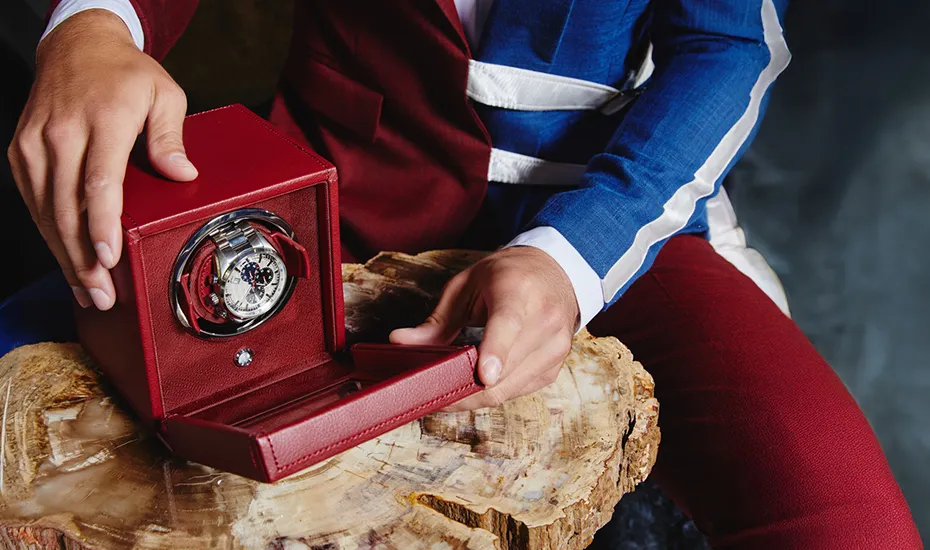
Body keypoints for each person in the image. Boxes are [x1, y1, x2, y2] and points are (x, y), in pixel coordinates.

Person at [6, 0, 921, 547]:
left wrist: (571, 260)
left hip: (615, 219)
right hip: (333, 202)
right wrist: (90, 27)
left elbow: (732, 50)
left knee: (843, 515)